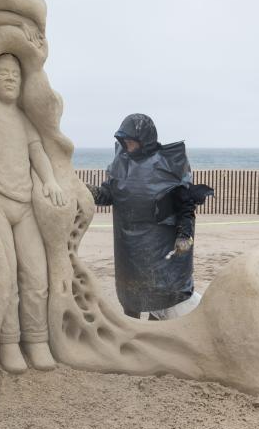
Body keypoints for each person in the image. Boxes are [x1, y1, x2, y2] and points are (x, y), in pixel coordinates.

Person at [0, 53, 66, 373]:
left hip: (25, 204)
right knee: (5, 276)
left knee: (36, 275)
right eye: (2, 73)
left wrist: (50, 180)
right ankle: (8, 342)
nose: (10, 78)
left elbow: (37, 152)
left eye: (15, 73)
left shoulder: (22, 117)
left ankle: (37, 339)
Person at [87, 113, 212, 320]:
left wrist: (184, 234)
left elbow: (185, 205)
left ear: (144, 138)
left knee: (162, 296)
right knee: (131, 296)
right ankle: (133, 335)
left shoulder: (169, 163)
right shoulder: (122, 162)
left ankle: (155, 333)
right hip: (128, 248)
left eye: (131, 141)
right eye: (124, 141)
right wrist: (91, 192)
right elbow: (109, 194)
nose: (127, 145)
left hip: (161, 244)